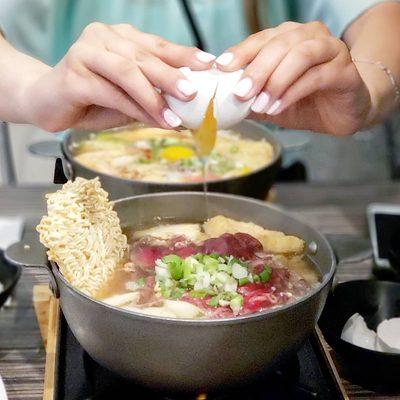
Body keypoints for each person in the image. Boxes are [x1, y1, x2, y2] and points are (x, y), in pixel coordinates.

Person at [0, 0, 399, 183]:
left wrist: (370, 86)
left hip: (255, 187)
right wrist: (28, 88)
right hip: (99, 181)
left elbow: (383, 13)